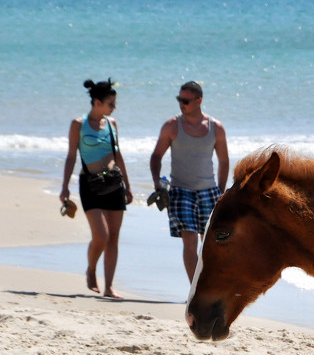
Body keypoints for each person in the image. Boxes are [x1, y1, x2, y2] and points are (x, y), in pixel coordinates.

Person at [60, 78, 133, 299]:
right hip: (90, 184)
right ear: (98, 102)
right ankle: (91, 269)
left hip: (113, 183)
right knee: (101, 236)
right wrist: (64, 187)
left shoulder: (111, 124)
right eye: (111, 103)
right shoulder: (78, 124)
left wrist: (128, 186)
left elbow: (118, 154)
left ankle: (109, 286)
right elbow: (72, 155)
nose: (114, 108)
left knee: (114, 237)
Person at [149, 81, 229, 281]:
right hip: (180, 190)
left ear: (199, 100)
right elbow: (156, 157)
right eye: (179, 100)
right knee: (190, 240)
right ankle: (194, 289)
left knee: (211, 242)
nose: (181, 104)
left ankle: (209, 285)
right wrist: (158, 184)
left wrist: (220, 191)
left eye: (185, 100)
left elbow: (224, 160)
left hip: (208, 191)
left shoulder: (216, 128)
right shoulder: (171, 126)